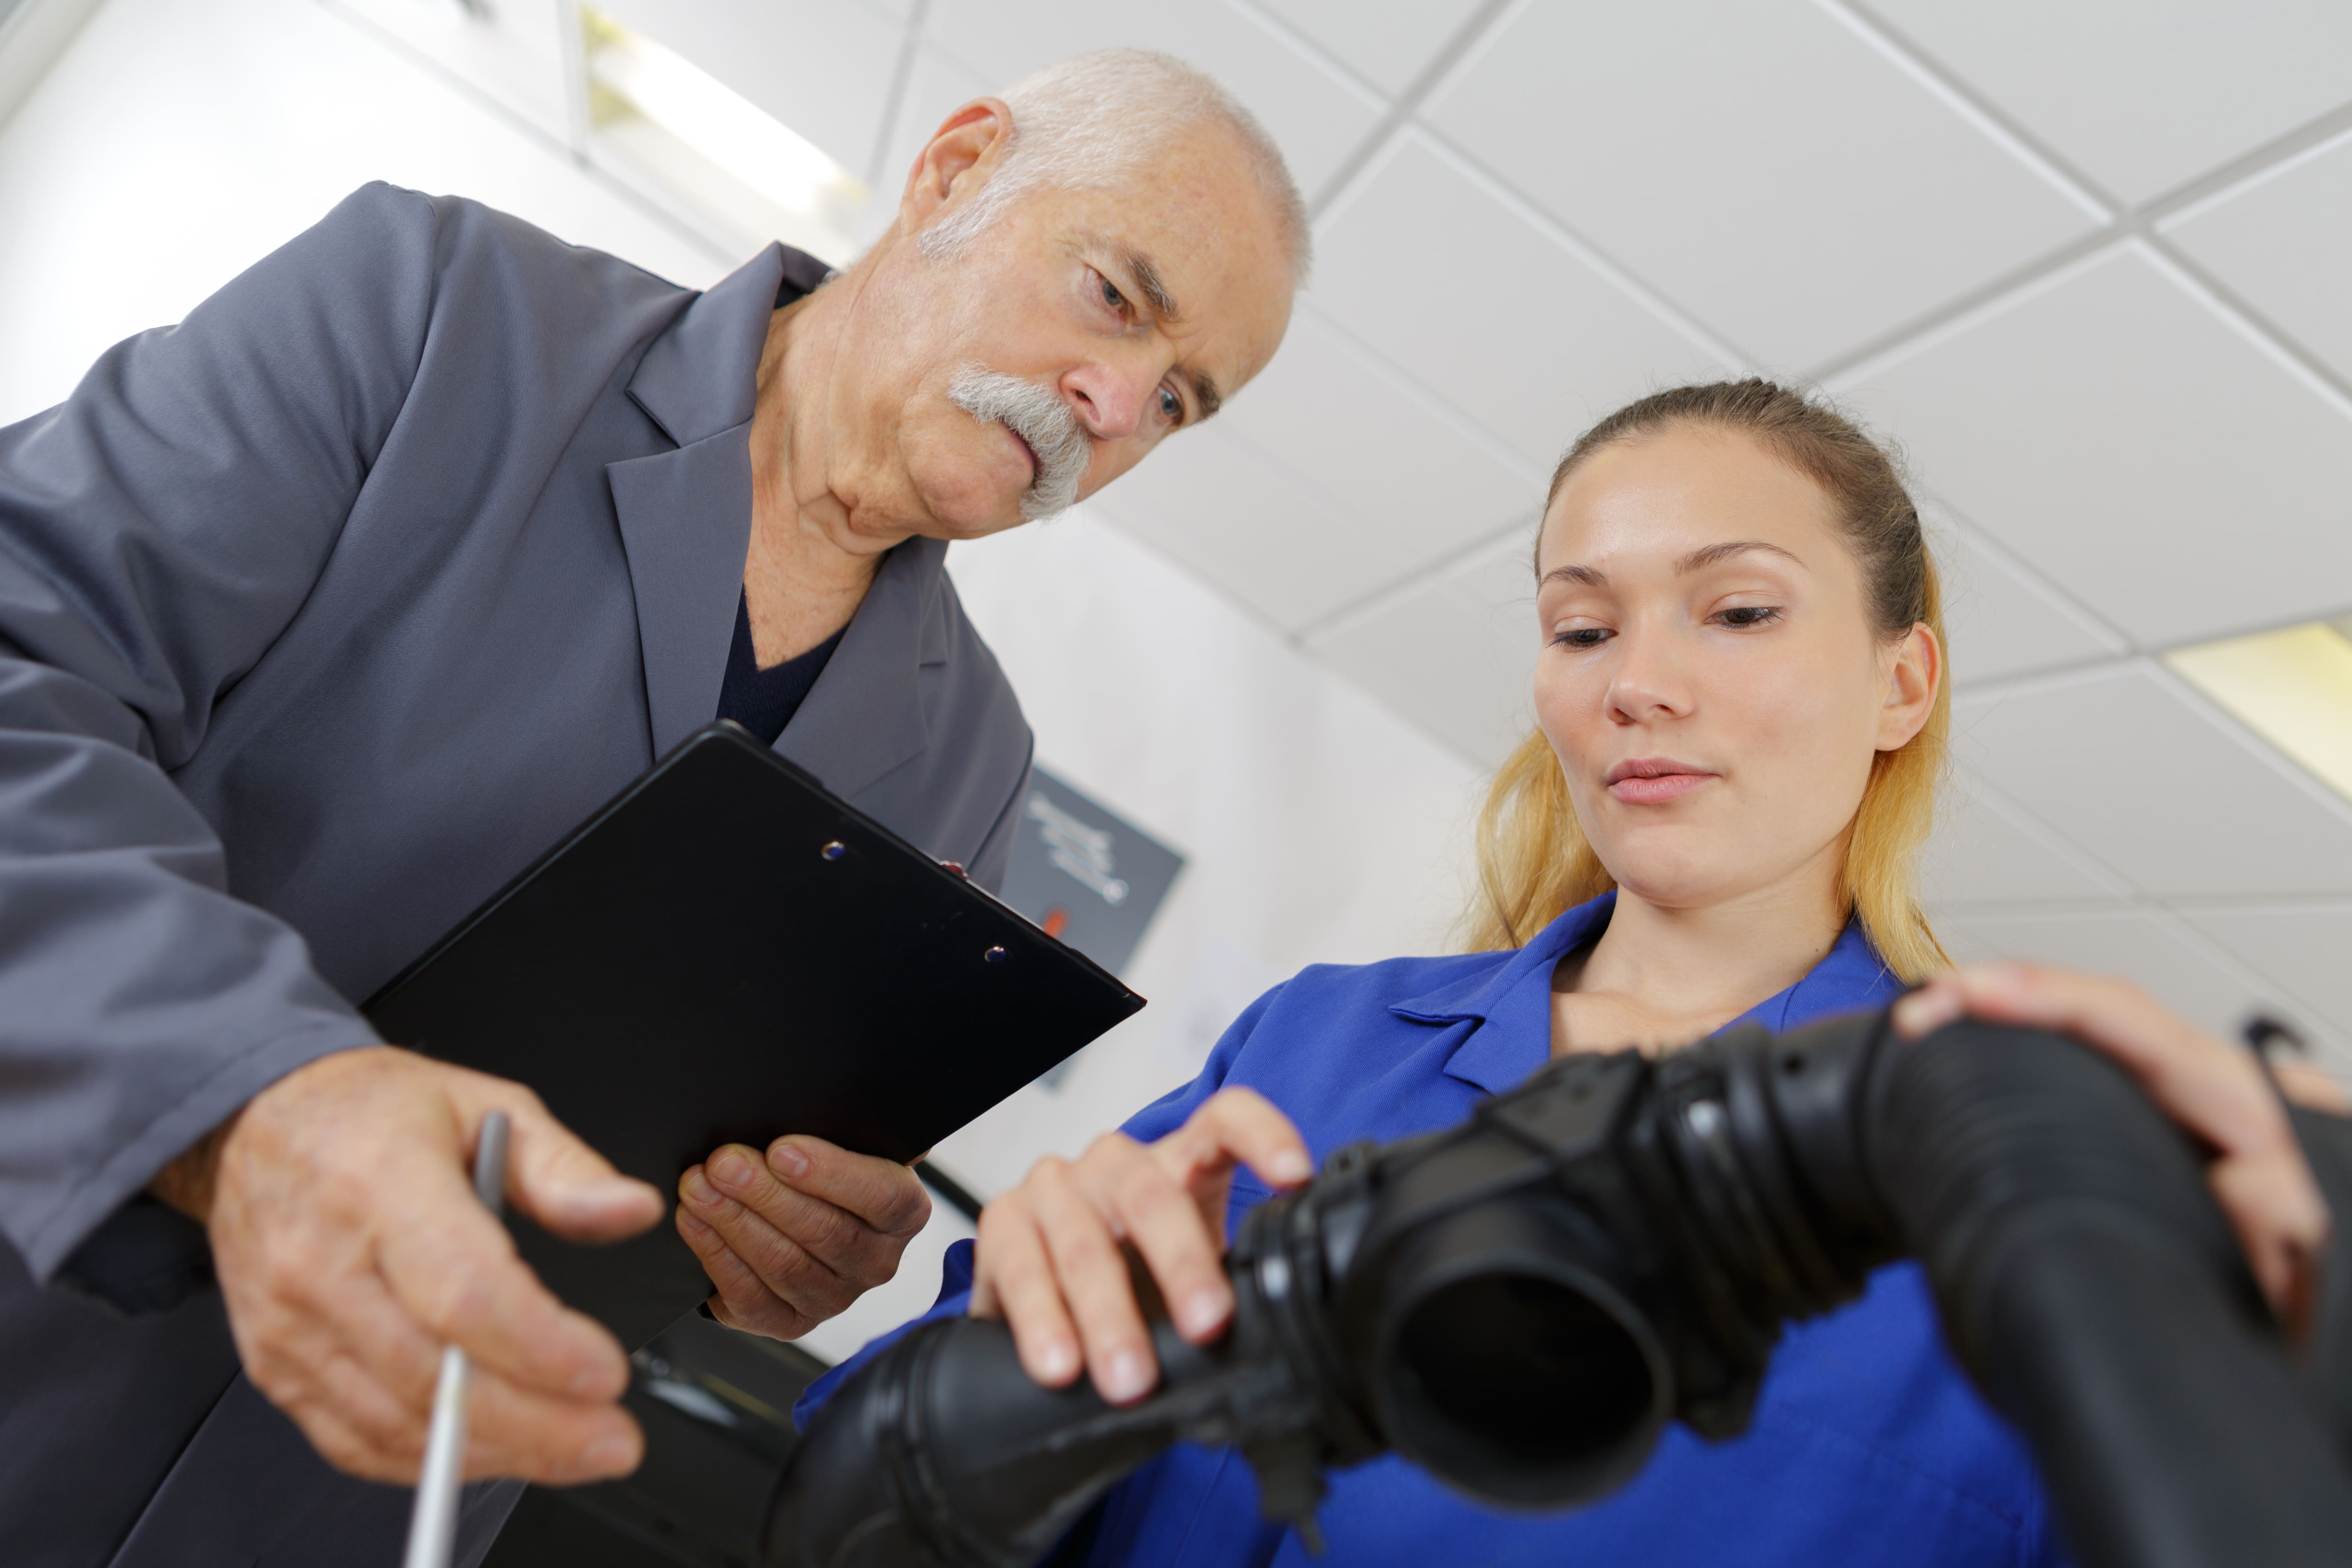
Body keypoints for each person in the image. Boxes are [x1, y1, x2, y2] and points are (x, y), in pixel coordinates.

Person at [0, 48, 1305, 1568]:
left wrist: (779, 1251)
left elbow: (707, 1163)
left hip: (344, 1504)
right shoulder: (435, 308)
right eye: (1117, 298)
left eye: (1178, 401)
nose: (1114, 404)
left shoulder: (974, 755)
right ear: (956, 170)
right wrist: (248, 1104)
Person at [804, 379, 2343, 1566]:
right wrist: (1026, 1345)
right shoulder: (1325, 1040)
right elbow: (854, 1482)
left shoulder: (2010, 1196)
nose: (1639, 685)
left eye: (1737, 611)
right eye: (1580, 625)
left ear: (1901, 680)